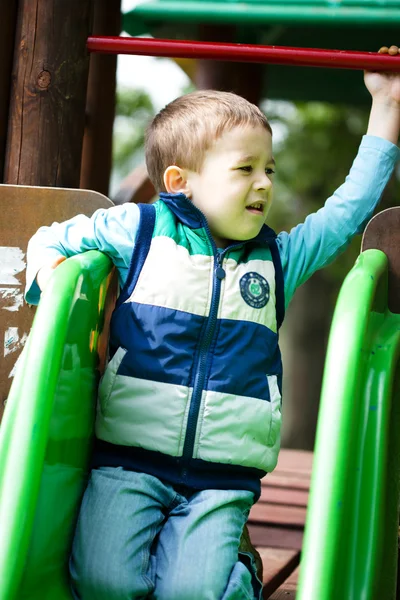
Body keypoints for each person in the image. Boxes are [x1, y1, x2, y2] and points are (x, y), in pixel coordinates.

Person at [25, 46, 400, 600]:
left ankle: (237, 573)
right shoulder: (140, 232)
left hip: (222, 476)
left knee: (192, 593)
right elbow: (53, 236)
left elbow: (346, 209)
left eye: (268, 168)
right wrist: (52, 276)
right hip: (128, 459)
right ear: (181, 181)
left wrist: (388, 105)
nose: (264, 183)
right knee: (104, 582)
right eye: (245, 169)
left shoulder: (276, 261)